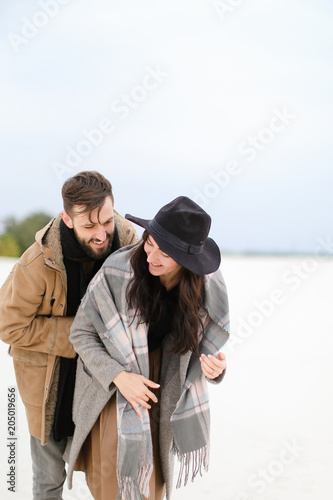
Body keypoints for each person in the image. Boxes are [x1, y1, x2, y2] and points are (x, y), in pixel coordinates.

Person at [65, 196, 230, 500]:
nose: (151, 255)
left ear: (187, 260)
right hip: (113, 388)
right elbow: (81, 333)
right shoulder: (117, 272)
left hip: (165, 389)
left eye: (165, 252)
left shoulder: (206, 286)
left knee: (153, 487)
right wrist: (117, 375)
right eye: (150, 242)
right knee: (113, 482)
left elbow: (205, 351)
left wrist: (216, 370)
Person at [0, 171, 138, 499]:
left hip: (105, 380)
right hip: (50, 384)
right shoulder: (37, 262)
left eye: (105, 221)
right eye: (89, 226)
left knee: (111, 478)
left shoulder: (129, 240)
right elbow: (7, 325)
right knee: (48, 483)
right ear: (67, 218)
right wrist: (81, 335)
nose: (101, 233)